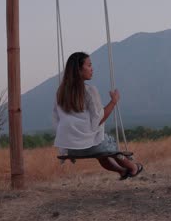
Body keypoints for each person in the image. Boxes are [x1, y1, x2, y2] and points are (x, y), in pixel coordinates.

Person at [53, 51, 143, 180]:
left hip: (70, 148)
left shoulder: (60, 92)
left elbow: (56, 118)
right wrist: (113, 101)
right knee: (109, 148)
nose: (92, 69)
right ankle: (133, 168)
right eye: (89, 65)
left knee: (100, 150)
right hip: (92, 146)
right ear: (79, 69)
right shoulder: (89, 91)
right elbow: (98, 120)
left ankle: (122, 171)